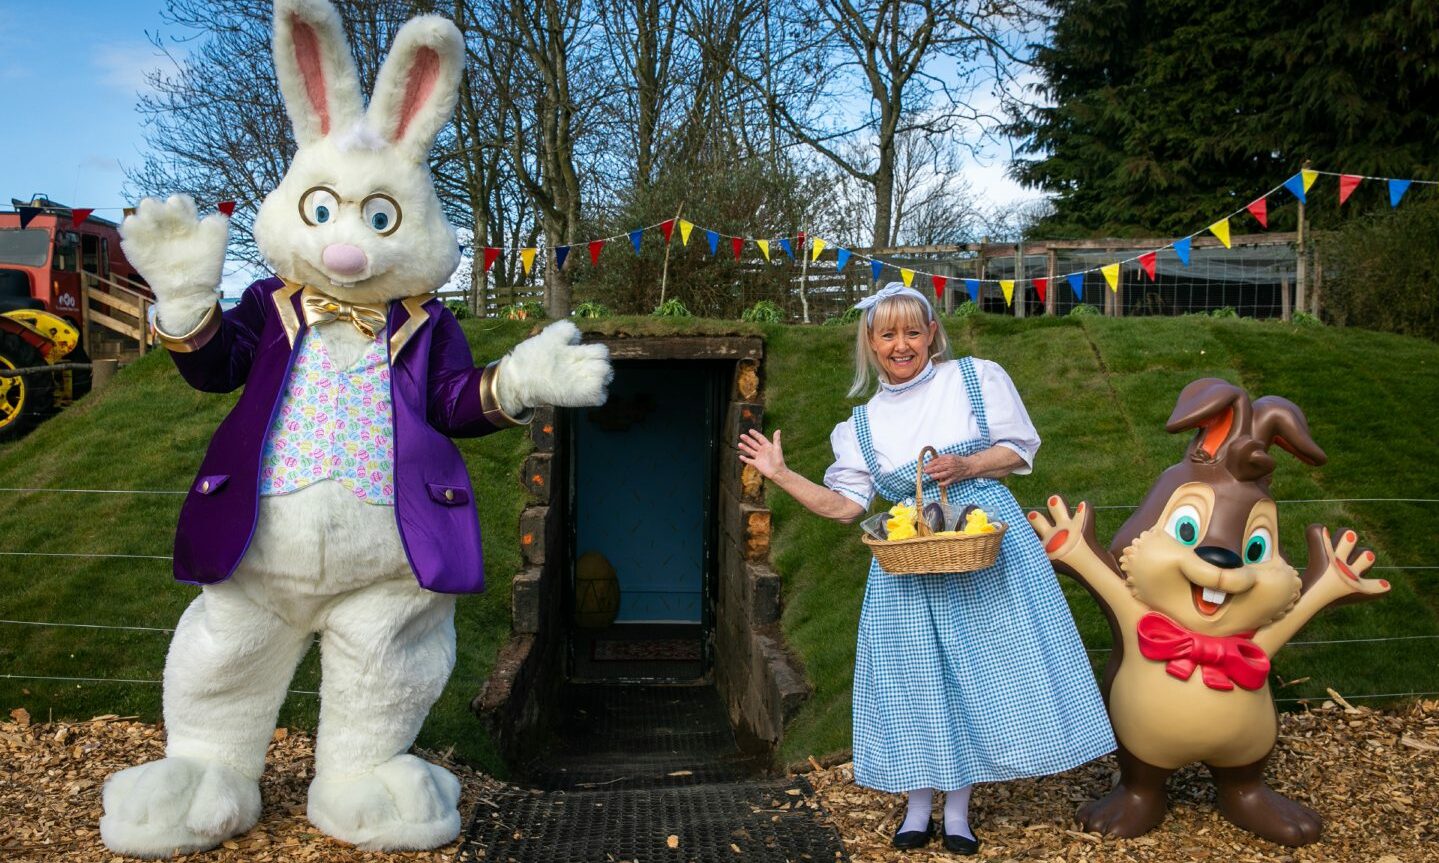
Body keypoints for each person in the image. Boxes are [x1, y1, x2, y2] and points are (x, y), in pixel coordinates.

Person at [738, 283, 1114, 855]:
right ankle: (917, 807)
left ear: (932, 333)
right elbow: (845, 508)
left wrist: (968, 462)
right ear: (870, 341)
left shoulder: (973, 379)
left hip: (982, 551)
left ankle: (958, 812)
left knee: (975, 678)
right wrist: (782, 473)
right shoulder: (861, 426)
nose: (901, 344)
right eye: (887, 334)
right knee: (915, 685)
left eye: (912, 331)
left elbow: (1020, 449)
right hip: (908, 567)